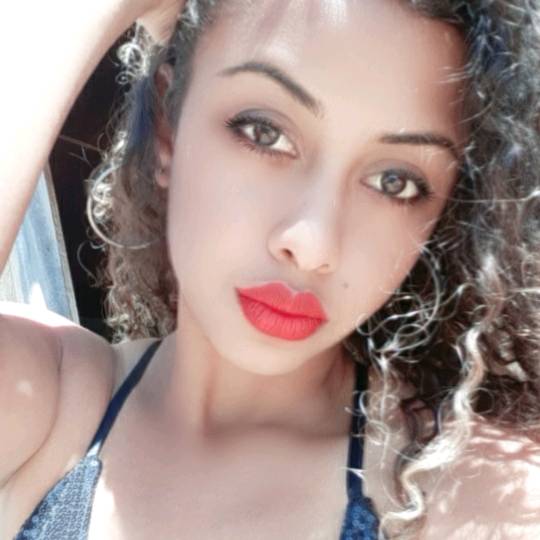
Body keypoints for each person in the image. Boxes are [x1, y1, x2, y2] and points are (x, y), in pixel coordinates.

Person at [1, 0, 540, 538]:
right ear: (168, 127)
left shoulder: (472, 497)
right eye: (265, 133)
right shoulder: (52, 404)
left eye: (393, 182)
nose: (311, 244)